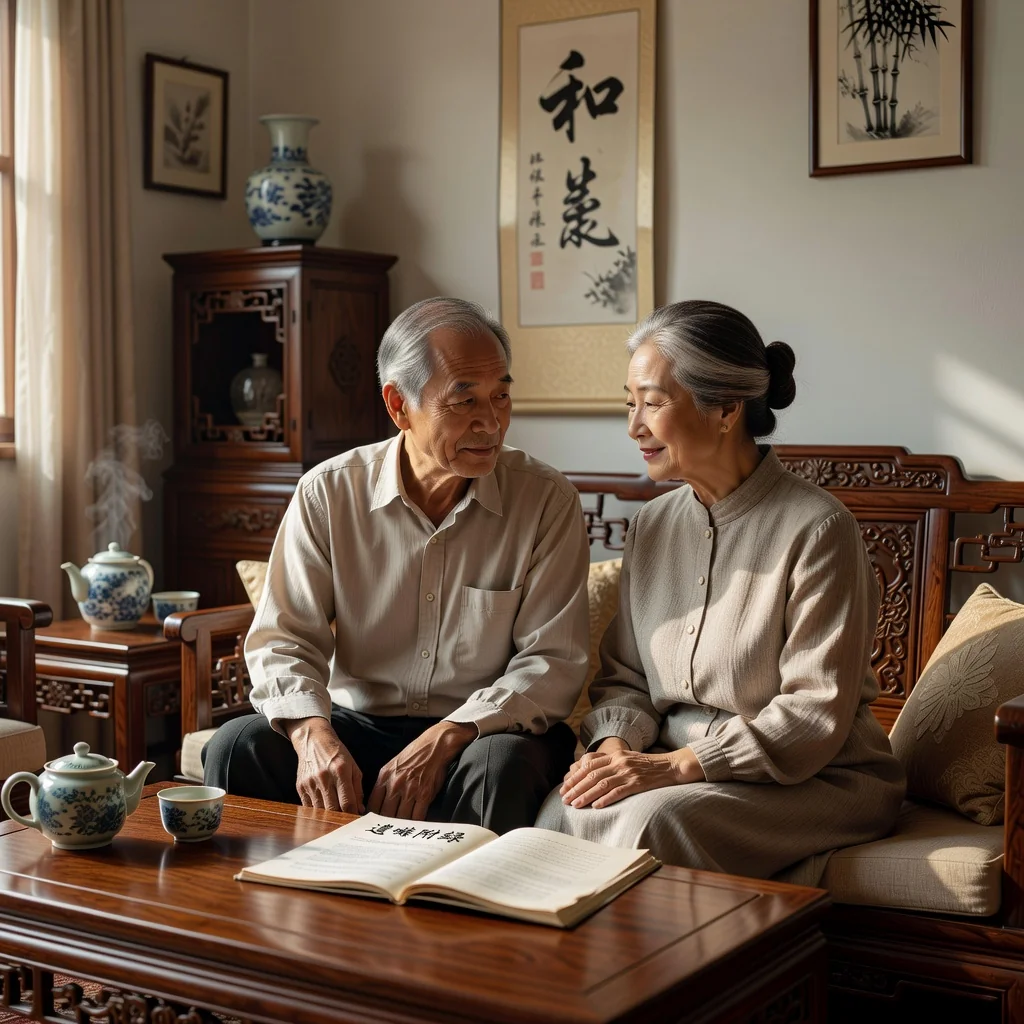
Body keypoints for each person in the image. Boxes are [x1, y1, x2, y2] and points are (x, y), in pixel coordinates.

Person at [536, 300, 905, 879]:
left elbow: (814, 712)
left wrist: (678, 767)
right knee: (561, 811)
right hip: (674, 766)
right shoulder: (652, 526)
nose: (634, 426)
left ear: (727, 408)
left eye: (653, 403)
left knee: (652, 823)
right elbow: (626, 678)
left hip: (816, 778)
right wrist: (614, 749)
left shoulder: (819, 528)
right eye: (630, 404)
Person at [204, 297, 589, 833]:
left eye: (501, 396)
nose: (490, 421)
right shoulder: (329, 493)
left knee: (501, 765)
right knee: (236, 745)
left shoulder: (545, 500)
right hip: (357, 724)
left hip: (482, 733)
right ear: (398, 405)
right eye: (464, 400)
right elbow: (283, 639)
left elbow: (553, 662)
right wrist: (313, 735)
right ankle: (266, 905)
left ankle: (469, 912)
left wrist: (447, 736)